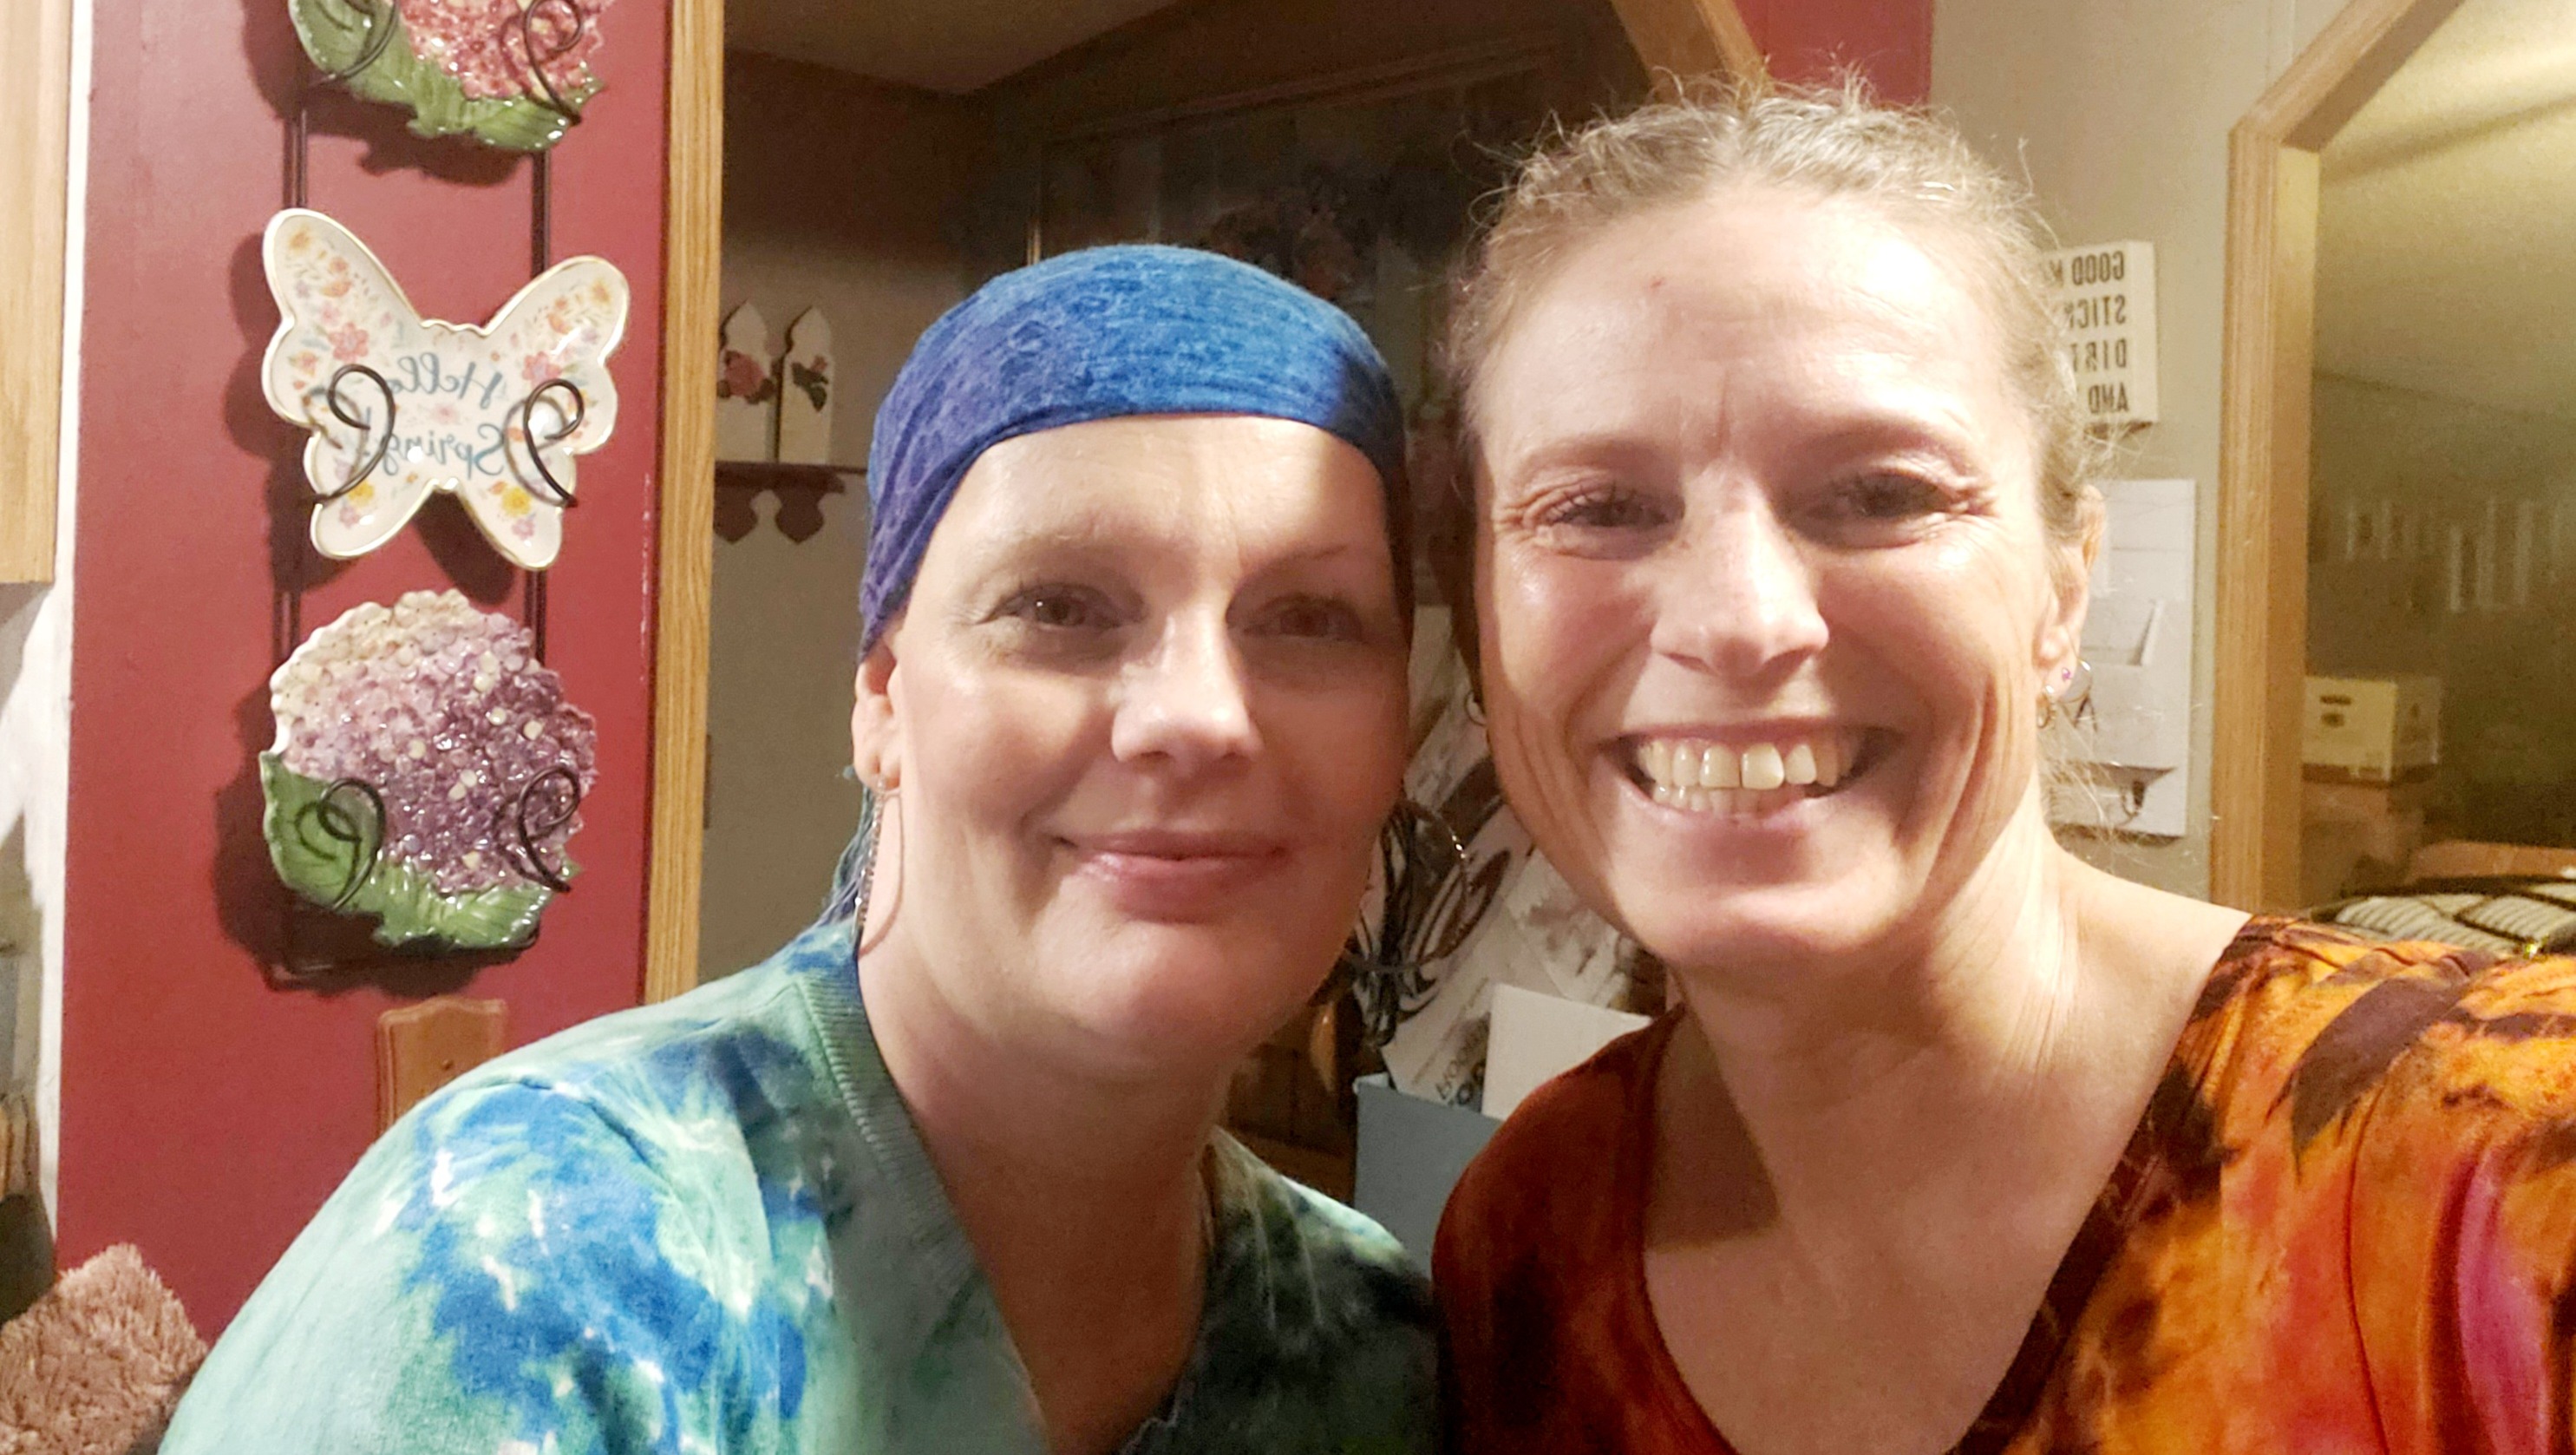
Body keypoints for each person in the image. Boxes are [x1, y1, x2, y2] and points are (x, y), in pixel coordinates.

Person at [1429, 80, 2576, 1454]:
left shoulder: (2489, 1161)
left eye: (1882, 493)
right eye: (1597, 507)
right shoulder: (1526, 1235)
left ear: (2062, 590)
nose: (1737, 620)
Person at [163, 245, 1435, 1454]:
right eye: (1058, 606)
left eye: (1310, 617)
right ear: (881, 697)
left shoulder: (1368, 1350)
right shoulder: (527, 1272)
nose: (1200, 717)